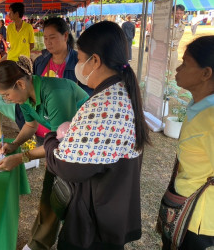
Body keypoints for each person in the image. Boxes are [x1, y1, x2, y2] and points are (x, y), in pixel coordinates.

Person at [42, 21, 150, 250]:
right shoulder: (123, 89)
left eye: (81, 60)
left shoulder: (103, 105)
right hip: (115, 207)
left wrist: (52, 139)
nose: (79, 66)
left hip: (95, 221)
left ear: (96, 61)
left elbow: (68, 165)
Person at [0, 57, 89, 250]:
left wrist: (21, 157)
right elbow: (31, 124)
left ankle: (38, 244)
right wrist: (15, 144)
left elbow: (61, 144)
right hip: (64, 146)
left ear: (19, 83)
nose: (7, 99)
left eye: (6, 95)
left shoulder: (54, 93)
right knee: (50, 194)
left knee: (58, 195)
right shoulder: (25, 96)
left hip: (84, 148)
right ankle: (37, 243)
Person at [160, 36, 214, 250]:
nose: (177, 69)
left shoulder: (211, 119)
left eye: (185, 64)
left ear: (206, 73)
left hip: (200, 220)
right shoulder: (198, 105)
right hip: (185, 208)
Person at [170, 4, 186, 78]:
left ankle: (167, 88)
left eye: (181, 13)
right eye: (177, 13)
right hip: (164, 51)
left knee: (171, 72)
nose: (179, 15)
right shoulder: (166, 24)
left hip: (174, 51)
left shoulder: (182, 25)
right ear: (172, 13)